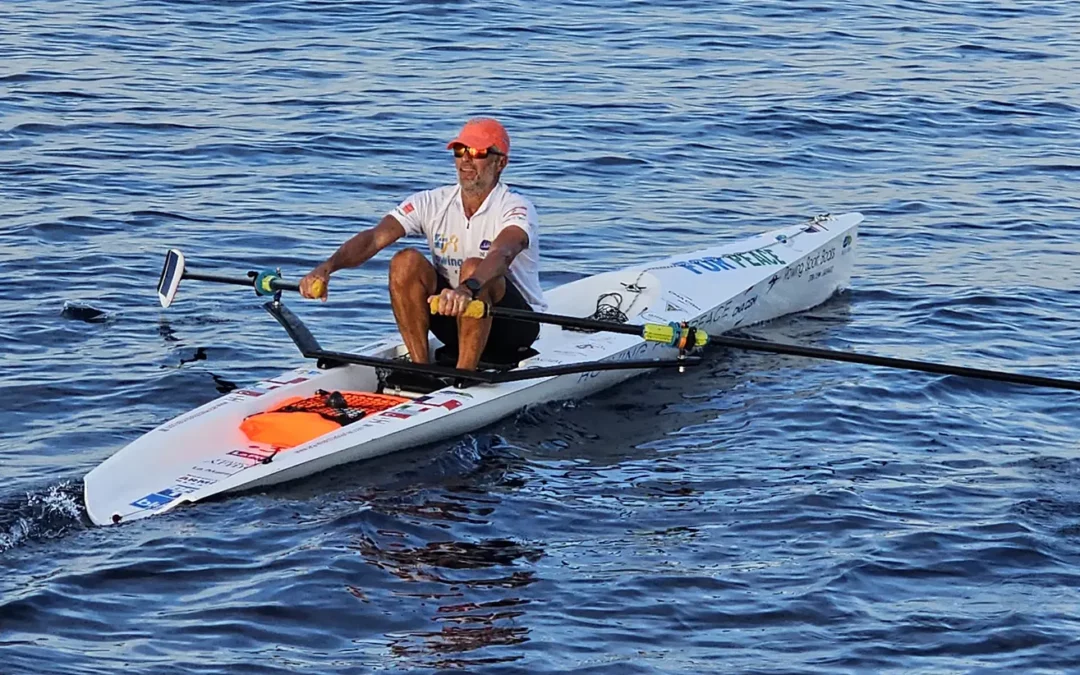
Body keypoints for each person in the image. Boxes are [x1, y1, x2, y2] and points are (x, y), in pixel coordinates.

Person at [298, 117, 545, 371]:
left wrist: (466, 289)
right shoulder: (431, 202)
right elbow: (374, 238)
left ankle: (465, 376)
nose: (466, 160)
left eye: (478, 152)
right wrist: (327, 268)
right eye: (460, 151)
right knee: (404, 261)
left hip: (513, 327)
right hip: (455, 317)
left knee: (474, 267)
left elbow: (502, 253)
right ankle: (420, 371)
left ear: (500, 162)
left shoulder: (515, 207)